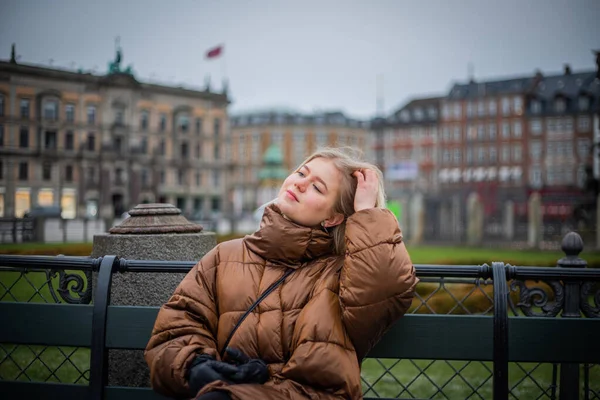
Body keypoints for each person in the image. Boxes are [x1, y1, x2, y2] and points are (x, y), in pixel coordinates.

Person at [144, 147, 419, 400]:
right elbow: (178, 326)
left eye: (316, 187)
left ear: (333, 218)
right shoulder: (224, 256)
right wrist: (196, 366)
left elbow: (383, 289)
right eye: (301, 172)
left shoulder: (342, 275)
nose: (299, 182)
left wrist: (368, 214)